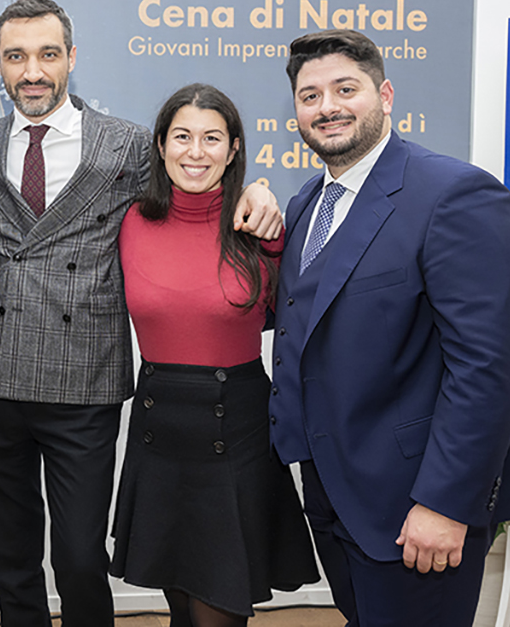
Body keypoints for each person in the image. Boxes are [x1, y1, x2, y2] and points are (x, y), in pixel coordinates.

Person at [0, 0, 282, 627]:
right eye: (16, 56)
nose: (32, 70)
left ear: (71, 59)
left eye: (48, 54)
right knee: (10, 557)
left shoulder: (131, 144)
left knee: (81, 558)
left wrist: (259, 187)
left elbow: (196, 188)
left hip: (85, 380)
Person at [269, 29, 510, 626]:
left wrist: (444, 504)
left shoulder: (454, 194)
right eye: (310, 95)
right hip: (333, 492)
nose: (328, 107)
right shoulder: (305, 205)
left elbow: (489, 369)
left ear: (386, 94)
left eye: (346, 89)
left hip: (415, 504)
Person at [110, 83, 318, 627]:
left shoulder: (262, 226)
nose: (195, 152)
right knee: (179, 599)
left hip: (238, 429)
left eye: (211, 138)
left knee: (220, 606)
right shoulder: (130, 221)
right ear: (160, 145)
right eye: (182, 136)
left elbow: (292, 313)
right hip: (160, 426)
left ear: (233, 149)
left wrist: (263, 190)